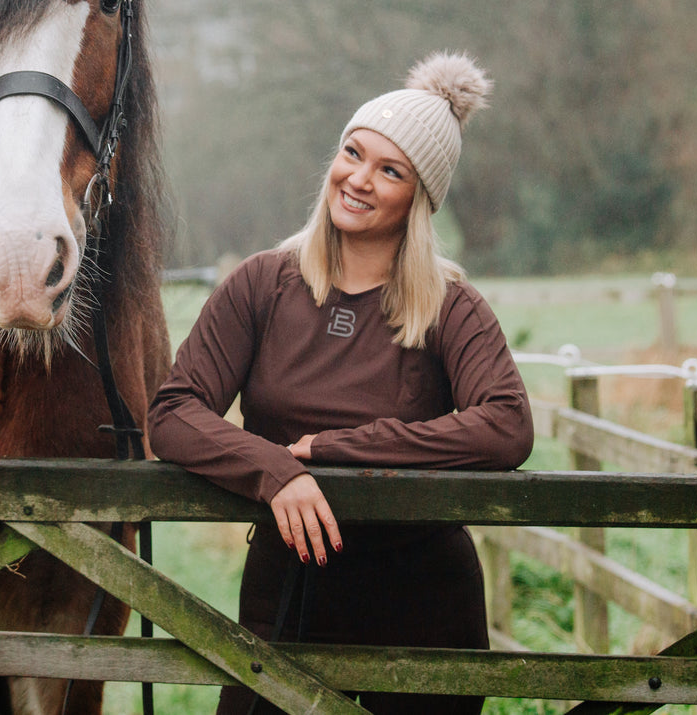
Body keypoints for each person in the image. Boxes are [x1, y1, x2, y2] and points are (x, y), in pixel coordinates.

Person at [147, 52, 534, 715]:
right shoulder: (260, 285)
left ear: (418, 196)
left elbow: (505, 425)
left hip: (421, 606)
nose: (358, 179)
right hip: (286, 595)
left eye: (390, 170)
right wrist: (275, 470)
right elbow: (173, 413)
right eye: (352, 153)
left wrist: (336, 449)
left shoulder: (449, 305)